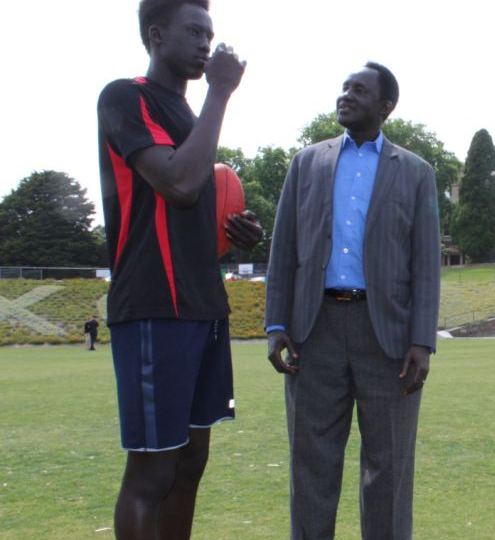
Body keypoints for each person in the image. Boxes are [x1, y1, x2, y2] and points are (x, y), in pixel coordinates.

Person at [96, 1, 260, 537]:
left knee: (191, 462)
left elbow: (187, 209)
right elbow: (179, 183)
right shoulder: (125, 97)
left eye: (210, 33)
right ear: (156, 34)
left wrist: (232, 236)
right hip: (152, 306)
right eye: (194, 31)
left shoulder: (192, 121)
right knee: (153, 469)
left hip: (202, 305)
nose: (205, 43)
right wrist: (220, 92)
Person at [265, 62, 440, 539]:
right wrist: (275, 324)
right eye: (344, 88)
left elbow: (426, 264)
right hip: (312, 333)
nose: (346, 96)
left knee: (389, 470)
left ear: (386, 107)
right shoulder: (307, 163)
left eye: (359, 91)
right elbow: (283, 251)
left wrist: (423, 340)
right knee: (311, 467)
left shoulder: (417, 173)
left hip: (387, 338)